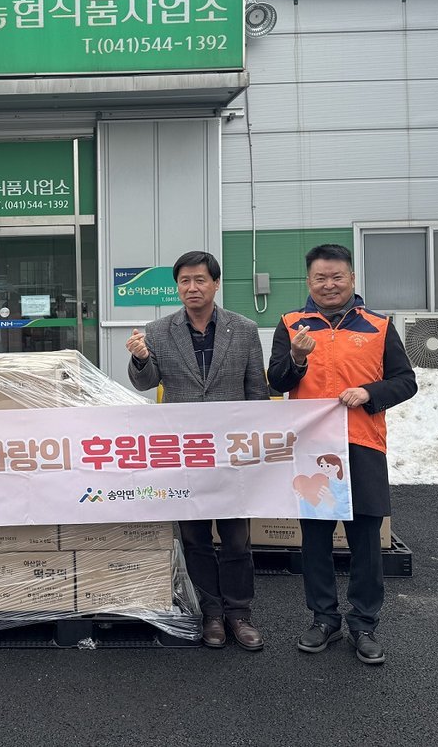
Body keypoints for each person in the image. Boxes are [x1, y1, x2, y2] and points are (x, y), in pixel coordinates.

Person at [267, 243, 417, 665]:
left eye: (336, 277)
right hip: (311, 450)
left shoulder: (379, 326)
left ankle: (364, 624)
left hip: (362, 444)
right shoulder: (292, 324)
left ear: (351, 278)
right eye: (320, 278)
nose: (329, 285)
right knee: (315, 539)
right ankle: (323, 619)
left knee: (365, 539)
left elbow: (406, 382)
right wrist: (296, 358)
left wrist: (370, 392)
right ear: (309, 281)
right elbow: (276, 381)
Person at [126, 250, 268, 651]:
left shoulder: (244, 329)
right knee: (194, 538)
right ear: (177, 287)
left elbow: (257, 391)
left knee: (237, 538)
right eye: (184, 281)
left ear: (216, 284)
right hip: (185, 453)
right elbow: (145, 382)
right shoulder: (158, 331)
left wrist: (256, 446)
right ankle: (211, 614)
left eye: (200, 280)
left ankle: (239, 613)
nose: (192, 287)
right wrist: (141, 359)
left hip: (231, 454)